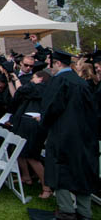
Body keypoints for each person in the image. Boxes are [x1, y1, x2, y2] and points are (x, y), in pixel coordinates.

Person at [41, 50, 98, 220]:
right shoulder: (81, 82)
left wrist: (43, 122)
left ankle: (66, 210)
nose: (49, 68)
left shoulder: (59, 81)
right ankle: (85, 212)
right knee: (82, 171)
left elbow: (51, 108)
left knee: (61, 170)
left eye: (50, 64)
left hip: (62, 134)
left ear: (58, 63)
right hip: (84, 135)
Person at [7, 70, 52, 199]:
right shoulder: (34, 88)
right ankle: (26, 177)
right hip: (25, 122)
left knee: (32, 156)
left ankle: (46, 187)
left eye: (33, 77)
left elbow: (22, 90)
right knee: (21, 152)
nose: (31, 80)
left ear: (41, 79)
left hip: (34, 125)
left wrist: (17, 80)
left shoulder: (42, 89)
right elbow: (17, 94)